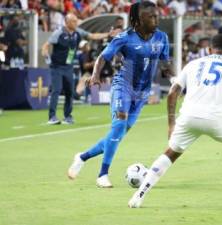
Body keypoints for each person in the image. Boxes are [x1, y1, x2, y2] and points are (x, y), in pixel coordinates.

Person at [128, 34, 222, 208]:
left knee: (171, 153)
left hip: (188, 117)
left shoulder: (192, 65)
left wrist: (171, 123)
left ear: (209, 49)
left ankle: (138, 196)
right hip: (217, 118)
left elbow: (172, 93)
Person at [67, 2, 172, 188]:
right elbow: (102, 57)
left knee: (118, 133)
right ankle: (102, 175)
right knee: (119, 124)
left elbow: (164, 64)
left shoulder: (161, 37)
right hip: (123, 86)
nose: (156, 19)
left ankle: (82, 157)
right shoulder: (125, 38)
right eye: (151, 16)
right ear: (139, 20)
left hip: (142, 93)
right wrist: (96, 74)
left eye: (157, 15)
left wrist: (175, 80)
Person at [41, 13, 119, 125]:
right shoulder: (58, 33)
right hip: (57, 67)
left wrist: (107, 34)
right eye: (73, 21)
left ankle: (68, 116)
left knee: (69, 92)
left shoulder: (78, 32)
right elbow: (46, 45)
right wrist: (45, 53)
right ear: (66, 22)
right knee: (56, 90)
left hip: (68, 66)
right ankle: (52, 116)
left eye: (76, 21)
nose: (76, 23)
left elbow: (92, 36)